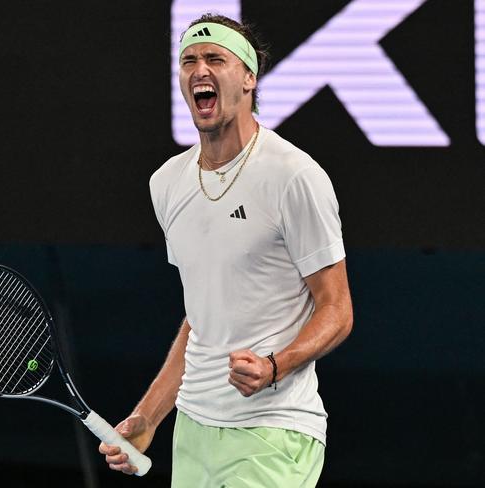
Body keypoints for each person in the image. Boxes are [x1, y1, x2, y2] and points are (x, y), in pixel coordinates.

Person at [99, 13, 353, 487]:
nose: (200, 70)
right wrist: (149, 417)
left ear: (249, 78)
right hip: (194, 431)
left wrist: (276, 366)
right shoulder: (168, 184)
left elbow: (337, 309)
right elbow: (202, 314)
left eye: (216, 58)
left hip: (273, 431)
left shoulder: (294, 177)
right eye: (189, 60)